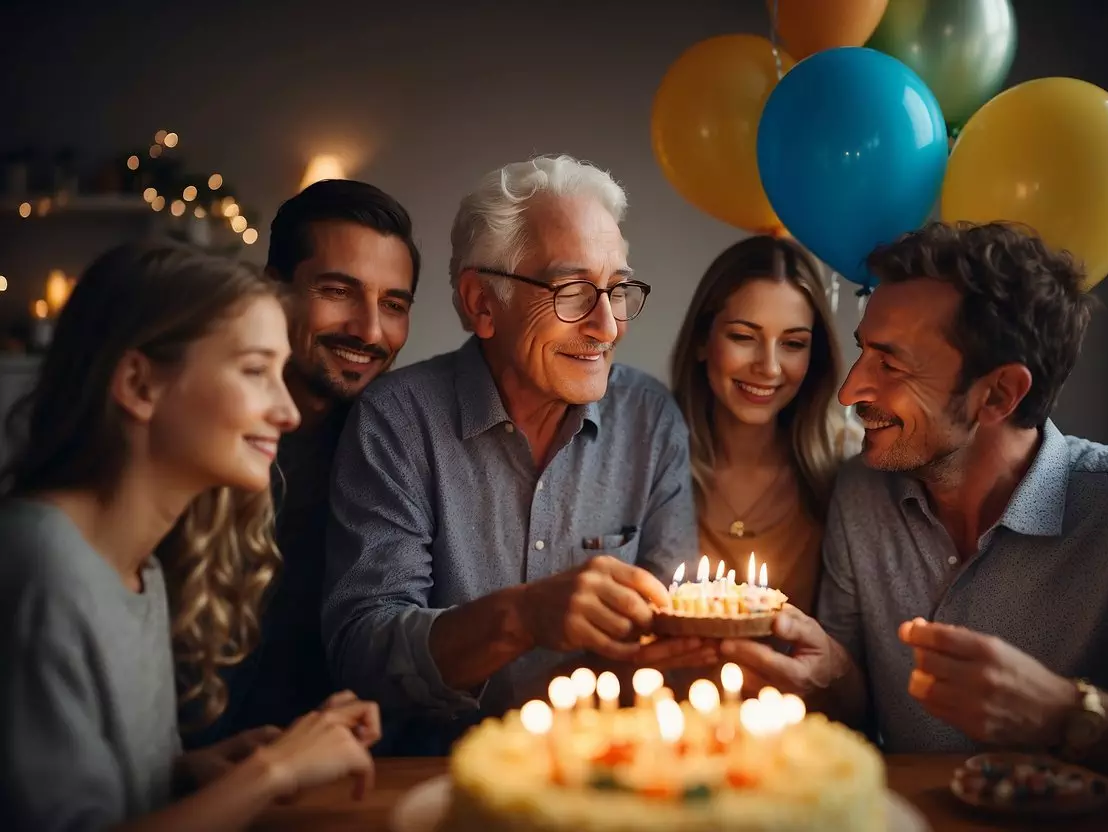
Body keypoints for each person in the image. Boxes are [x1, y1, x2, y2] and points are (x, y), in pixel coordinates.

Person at [718, 221, 1108, 800]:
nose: (849, 391)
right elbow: (856, 719)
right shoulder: (860, 493)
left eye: (891, 364)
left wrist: (1067, 715)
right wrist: (829, 676)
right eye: (862, 351)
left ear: (999, 394)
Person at [322, 155, 702, 751]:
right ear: (480, 303)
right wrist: (521, 618)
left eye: (619, 290)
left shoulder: (649, 420)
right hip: (432, 785)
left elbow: (675, 641)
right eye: (574, 290)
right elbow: (361, 652)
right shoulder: (396, 420)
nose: (607, 325)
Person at [0, 241, 381, 830]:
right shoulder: (39, 563)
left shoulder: (138, 568)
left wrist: (189, 770)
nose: (287, 412)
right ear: (139, 385)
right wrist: (271, 773)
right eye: (255, 371)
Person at [186, 179, 420, 747]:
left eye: (394, 304)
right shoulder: (194, 430)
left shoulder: (395, 452)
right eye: (339, 291)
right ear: (275, 292)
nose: (369, 330)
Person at [669, 235, 855, 611]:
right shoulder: (653, 456)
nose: (768, 367)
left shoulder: (846, 460)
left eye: (793, 343)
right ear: (702, 342)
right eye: (743, 336)